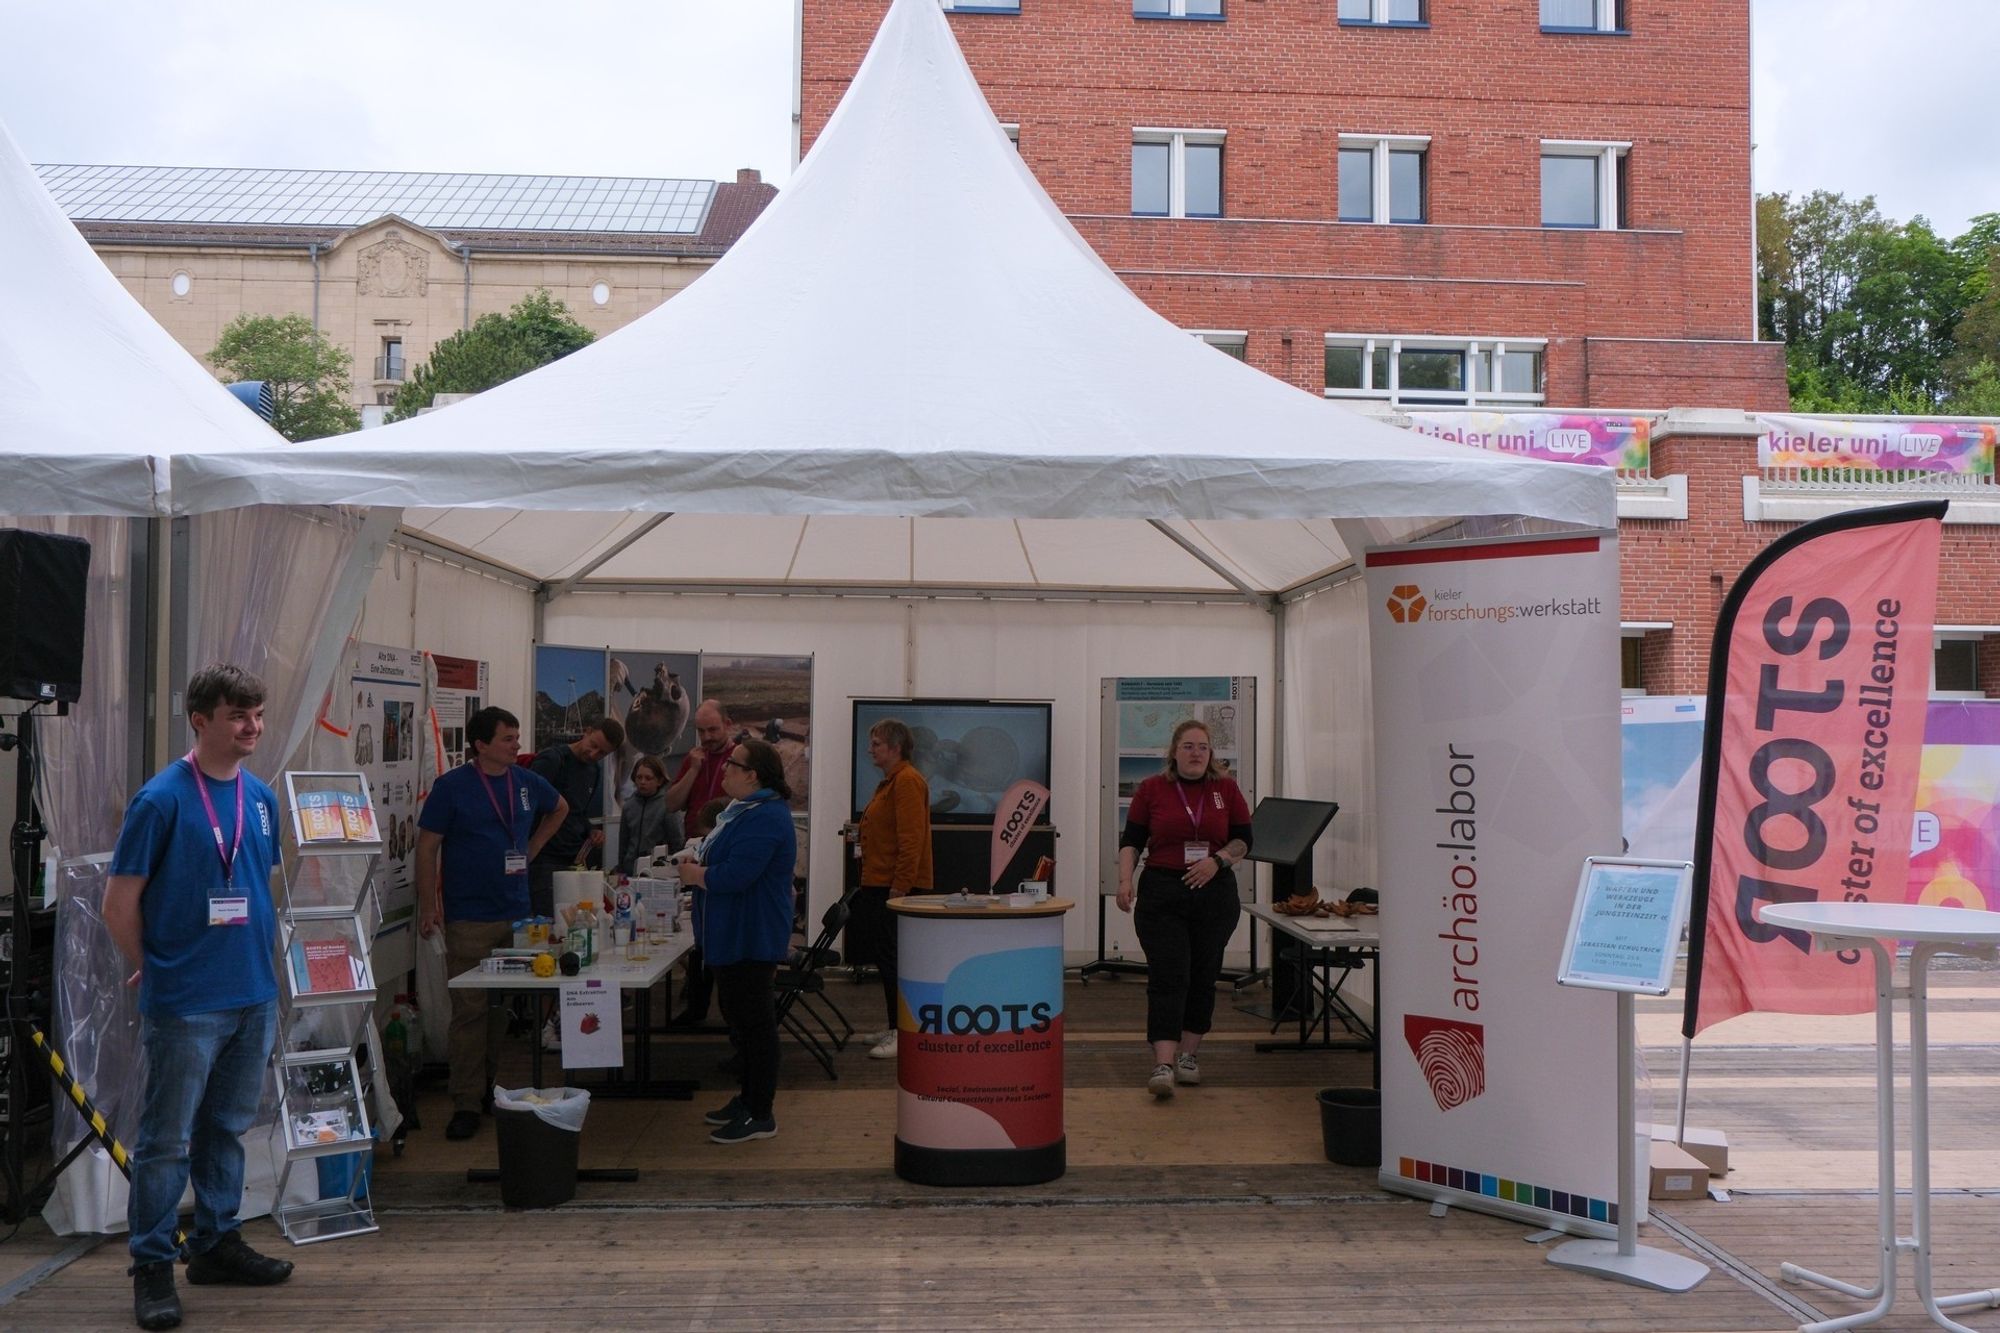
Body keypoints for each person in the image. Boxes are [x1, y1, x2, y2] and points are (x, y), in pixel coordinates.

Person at [105, 664, 295, 1331]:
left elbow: (252, 883)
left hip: (252, 993)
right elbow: (118, 902)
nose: (253, 726)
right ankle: (152, 1264)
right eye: (239, 714)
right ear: (200, 720)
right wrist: (150, 965)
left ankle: (215, 1241)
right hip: (187, 1001)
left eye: (259, 713)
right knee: (164, 1141)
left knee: (226, 1128)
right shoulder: (161, 799)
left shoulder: (261, 799)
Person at [416, 706, 566, 1140]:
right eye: (507, 738)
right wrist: (430, 905)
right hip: (469, 916)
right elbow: (426, 848)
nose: (516, 745)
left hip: (517, 915)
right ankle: (464, 1101)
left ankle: (486, 1090)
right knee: (469, 1012)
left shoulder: (525, 781)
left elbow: (560, 808)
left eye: (517, 737)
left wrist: (533, 848)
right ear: (481, 745)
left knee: (499, 1012)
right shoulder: (452, 788)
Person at [1116, 719, 1252, 1100]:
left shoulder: (1225, 789)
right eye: (1188, 746)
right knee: (1168, 974)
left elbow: (1245, 838)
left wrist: (1218, 861)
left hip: (1214, 892)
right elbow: (1132, 840)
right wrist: (1125, 881)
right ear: (1174, 752)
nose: (1196, 753)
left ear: (1212, 754)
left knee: (1203, 974)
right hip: (1163, 892)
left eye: (1203, 747)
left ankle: (1188, 1056)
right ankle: (1163, 1063)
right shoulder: (1151, 789)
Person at [676, 739, 797, 1144]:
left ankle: (760, 1112)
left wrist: (698, 876)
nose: (724, 768)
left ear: (753, 775)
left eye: (733, 763)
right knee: (740, 1021)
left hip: (752, 932)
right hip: (733, 932)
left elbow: (738, 875)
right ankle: (747, 1099)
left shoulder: (765, 817)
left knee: (755, 1024)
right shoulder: (744, 812)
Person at [848, 717, 932, 1060]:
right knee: (887, 959)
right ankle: (895, 1026)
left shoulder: (907, 781)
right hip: (879, 884)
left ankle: (904, 1033)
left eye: (877, 744)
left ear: (896, 748)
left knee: (897, 961)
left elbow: (911, 841)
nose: (871, 750)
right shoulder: (890, 782)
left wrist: (900, 888)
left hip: (895, 889)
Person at [527, 716, 624, 918]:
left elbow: (578, 813)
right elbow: (528, 807)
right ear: (587, 731)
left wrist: (591, 830)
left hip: (574, 861)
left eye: (602, 753)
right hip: (544, 860)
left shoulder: (593, 771)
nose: (594, 754)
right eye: (593, 745)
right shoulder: (552, 760)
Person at [665, 699, 733, 818]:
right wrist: (693, 770)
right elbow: (671, 805)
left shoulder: (740, 757)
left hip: (725, 834)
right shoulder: (694, 758)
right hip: (693, 835)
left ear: (727, 725)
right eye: (701, 731)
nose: (706, 737)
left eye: (712, 730)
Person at [615, 754, 676, 878]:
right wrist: (621, 869)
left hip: (657, 871)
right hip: (630, 870)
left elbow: (676, 841)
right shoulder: (629, 806)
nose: (642, 782)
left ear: (659, 780)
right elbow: (623, 844)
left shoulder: (668, 805)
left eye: (648, 778)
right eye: (639, 777)